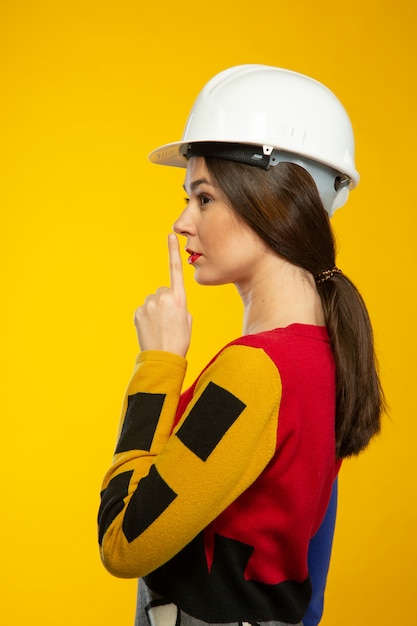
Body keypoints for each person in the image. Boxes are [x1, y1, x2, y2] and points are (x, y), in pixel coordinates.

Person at [98, 65, 384, 626]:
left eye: (203, 198)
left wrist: (158, 364)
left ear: (273, 202)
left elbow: (123, 543)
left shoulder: (255, 372)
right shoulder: (322, 355)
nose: (182, 223)